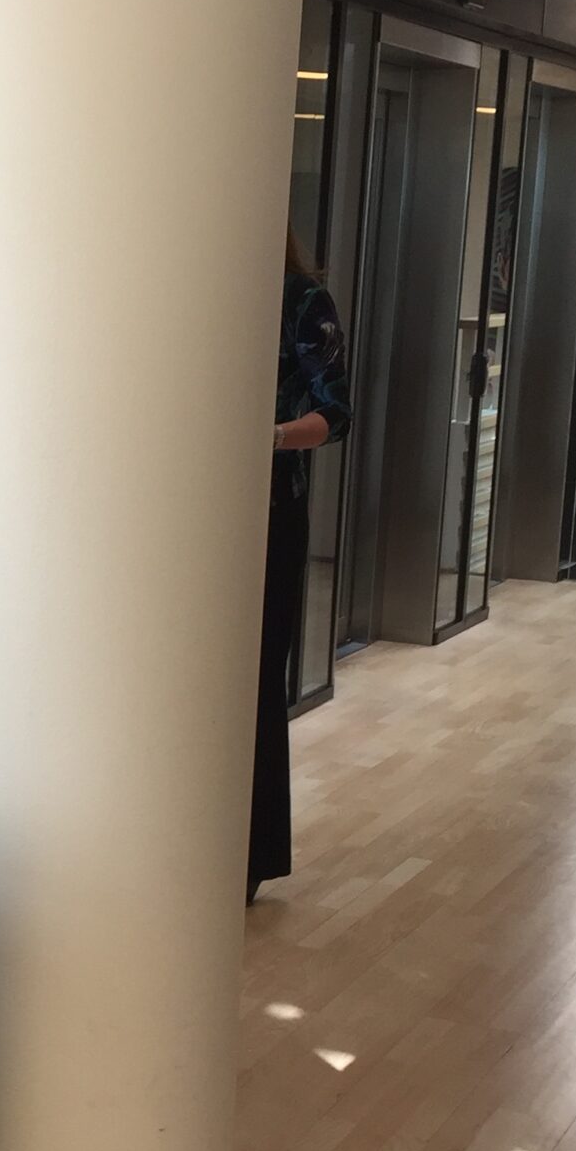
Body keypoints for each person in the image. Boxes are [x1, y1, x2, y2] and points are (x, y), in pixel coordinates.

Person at [249, 230, 352, 903]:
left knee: (258, 678)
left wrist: (273, 437)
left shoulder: (301, 300)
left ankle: (250, 858)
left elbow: (335, 412)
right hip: (192, 521)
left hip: (272, 509)